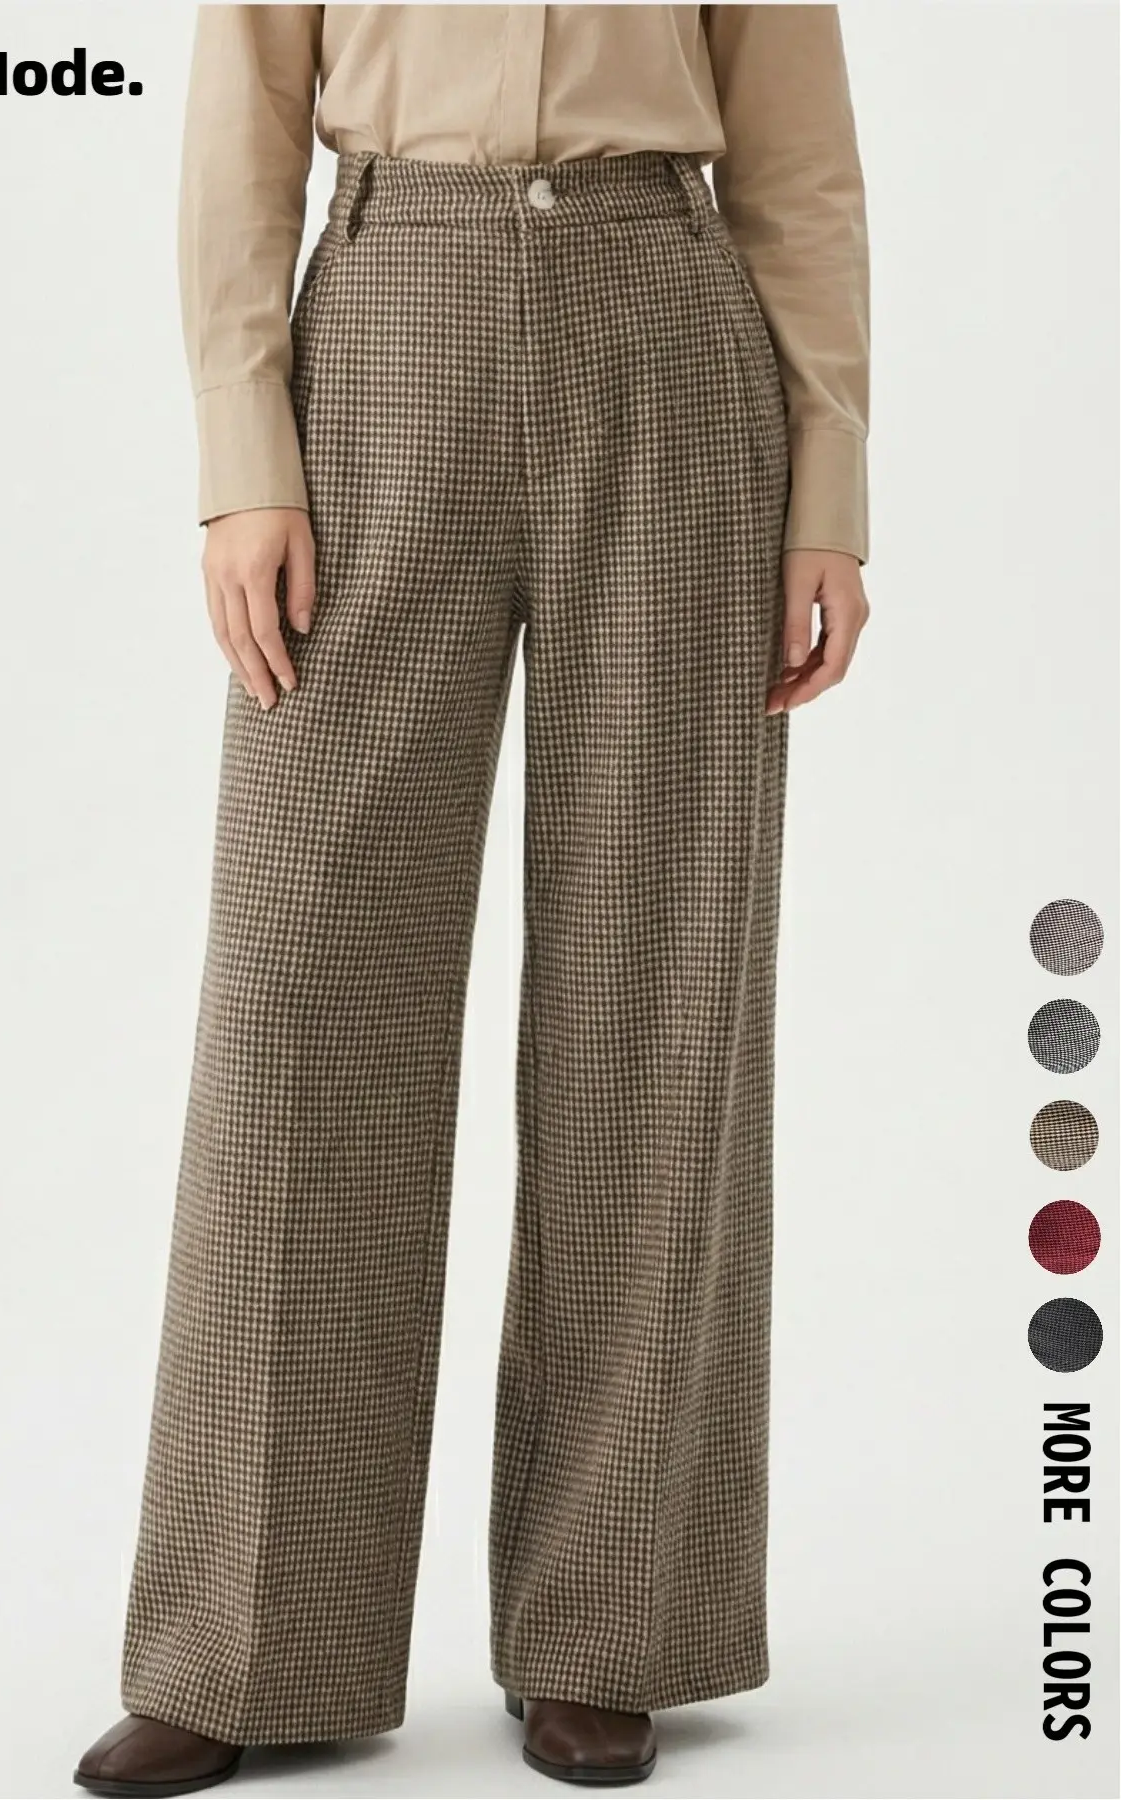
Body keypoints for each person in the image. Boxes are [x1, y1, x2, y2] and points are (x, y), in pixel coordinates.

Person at [75, 5, 870, 1791]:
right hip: (383, 319)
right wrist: (241, 456)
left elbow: (800, 162)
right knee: (301, 995)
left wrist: (826, 482)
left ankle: (613, 1627)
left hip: (666, 323)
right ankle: (247, 1641)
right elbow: (242, 122)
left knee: (655, 992)